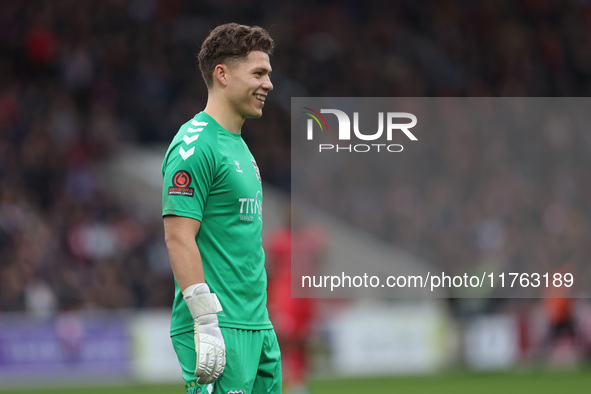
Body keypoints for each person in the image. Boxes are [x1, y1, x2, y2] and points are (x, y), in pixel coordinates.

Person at [161, 23, 280, 394]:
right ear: (222, 74)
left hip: (256, 324)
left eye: (269, 74)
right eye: (258, 73)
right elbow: (178, 237)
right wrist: (205, 321)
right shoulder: (195, 145)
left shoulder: (239, 145)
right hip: (218, 326)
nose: (269, 84)